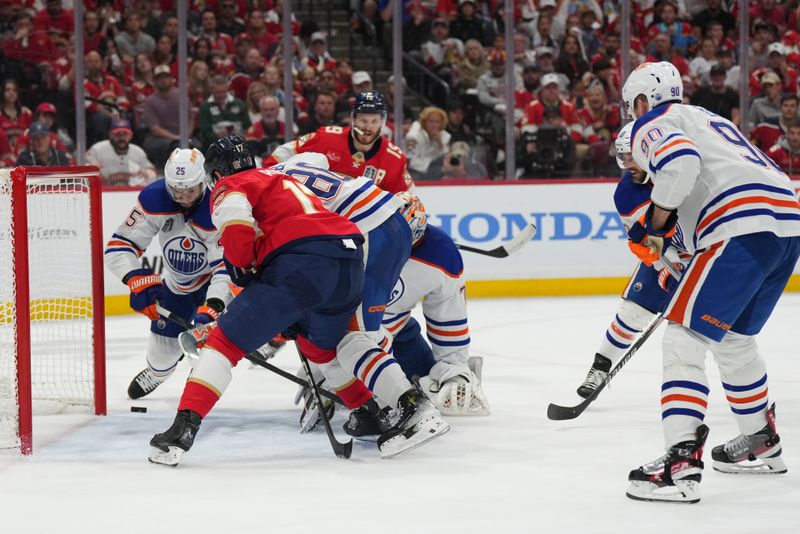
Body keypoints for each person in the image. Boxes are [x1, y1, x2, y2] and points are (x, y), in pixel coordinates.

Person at [148, 136, 446, 466]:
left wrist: (242, 272)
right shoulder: (280, 176)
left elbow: (237, 227)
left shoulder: (230, 184)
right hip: (347, 258)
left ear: (214, 174)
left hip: (303, 263)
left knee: (223, 343)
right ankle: (374, 411)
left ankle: (181, 430)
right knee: (322, 345)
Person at [621, 61, 800, 504]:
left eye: (633, 108)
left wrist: (654, 223)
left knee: (683, 340)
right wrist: (668, 237)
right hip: (786, 224)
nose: (633, 117)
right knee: (734, 340)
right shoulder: (711, 118)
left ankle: (680, 465)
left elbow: (680, 165)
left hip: (737, 226)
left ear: (642, 101)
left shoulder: (653, 122)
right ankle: (761, 439)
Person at [268, 154, 448, 443]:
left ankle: (412, 406)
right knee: (331, 333)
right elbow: (321, 162)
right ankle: (369, 409)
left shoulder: (244, 205)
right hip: (379, 225)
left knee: (353, 338)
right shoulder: (286, 166)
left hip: (369, 234)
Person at [104, 148, 232, 400]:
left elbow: (225, 266)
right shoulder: (154, 198)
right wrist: (135, 278)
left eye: (190, 191)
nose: (183, 198)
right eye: (177, 192)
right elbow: (120, 246)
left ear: (203, 181)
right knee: (160, 358)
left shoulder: (219, 205)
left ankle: (197, 391)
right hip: (176, 286)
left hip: (211, 285)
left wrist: (215, 304)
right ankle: (158, 373)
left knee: (212, 354)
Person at [575, 122, 688, 399]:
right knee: (632, 312)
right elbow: (647, 242)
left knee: (710, 329)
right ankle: (600, 367)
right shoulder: (626, 193)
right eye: (622, 156)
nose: (627, 164)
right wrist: (664, 267)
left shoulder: (682, 173)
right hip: (668, 256)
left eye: (632, 156)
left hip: (706, 255)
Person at [383, 222, 490, 416]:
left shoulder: (438, 252)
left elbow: (448, 315)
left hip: (397, 335)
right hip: (348, 338)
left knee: (426, 388)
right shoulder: (349, 241)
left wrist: (454, 366)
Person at [264, 91, 414, 194]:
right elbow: (285, 153)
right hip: (320, 219)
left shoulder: (394, 158)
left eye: (374, 121)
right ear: (353, 118)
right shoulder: (326, 138)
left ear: (383, 121)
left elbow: (407, 199)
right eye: (363, 120)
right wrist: (267, 179)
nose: (368, 127)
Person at [86, 117, 157, 187]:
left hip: (130, 192)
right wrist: (91, 168)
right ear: (110, 134)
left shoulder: (138, 151)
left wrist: (147, 173)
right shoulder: (97, 149)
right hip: (104, 191)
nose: (122, 138)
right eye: (118, 134)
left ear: (131, 135)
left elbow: (152, 172)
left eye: (125, 134)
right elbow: (83, 170)